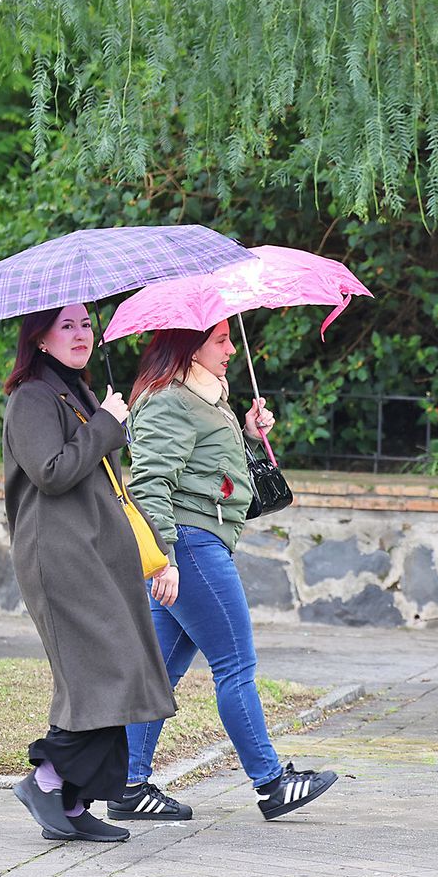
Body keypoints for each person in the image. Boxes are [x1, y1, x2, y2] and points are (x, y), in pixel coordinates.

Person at [111, 319, 337, 823]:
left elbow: (213, 470)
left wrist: (251, 433)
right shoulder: (168, 401)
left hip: (197, 543)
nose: (232, 348)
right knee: (236, 667)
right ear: (189, 346)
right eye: (220, 339)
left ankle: (128, 786)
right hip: (189, 549)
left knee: (160, 673)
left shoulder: (204, 398)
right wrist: (163, 560)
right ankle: (272, 784)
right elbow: (149, 487)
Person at [1, 303, 177, 843]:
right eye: (67, 326)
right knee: (106, 672)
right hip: (59, 558)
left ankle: (74, 801)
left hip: (95, 555)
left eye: (85, 324)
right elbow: (51, 473)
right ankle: (47, 779)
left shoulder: (77, 391)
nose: (81, 335)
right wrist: (105, 426)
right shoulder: (31, 397)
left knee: (112, 675)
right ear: (41, 337)